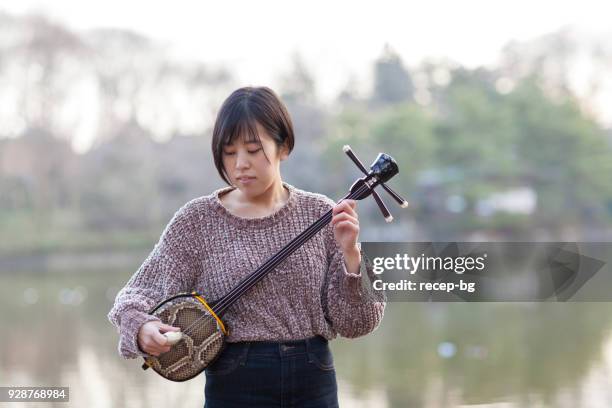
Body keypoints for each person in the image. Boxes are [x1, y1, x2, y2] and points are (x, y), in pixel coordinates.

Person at [108, 86, 386, 407]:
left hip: (314, 378)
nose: (240, 164)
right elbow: (134, 296)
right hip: (235, 381)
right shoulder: (198, 220)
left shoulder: (321, 213)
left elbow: (358, 323)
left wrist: (352, 255)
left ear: (284, 146)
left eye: (253, 150)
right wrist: (142, 328)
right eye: (229, 152)